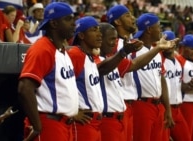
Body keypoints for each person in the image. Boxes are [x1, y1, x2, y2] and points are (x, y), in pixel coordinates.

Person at [98, 23, 178, 141]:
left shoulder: (114, 59)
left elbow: (134, 65)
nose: (114, 43)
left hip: (125, 112)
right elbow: (104, 68)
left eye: (115, 39)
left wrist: (157, 49)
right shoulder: (99, 59)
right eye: (111, 39)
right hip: (119, 112)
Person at [68, 16, 143, 141]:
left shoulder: (90, 57)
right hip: (85, 122)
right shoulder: (74, 53)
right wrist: (73, 111)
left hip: (98, 121)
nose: (99, 35)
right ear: (81, 35)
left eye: (98, 30)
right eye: (94, 30)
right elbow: (62, 83)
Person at [17, 2, 79, 141]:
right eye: (68, 19)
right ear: (54, 24)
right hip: (50, 124)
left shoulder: (62, 50)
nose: (74, 24)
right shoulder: (42, 49)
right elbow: (24, 88)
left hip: (65, 125)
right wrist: (37, 126)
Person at [132, 13, 174, 141]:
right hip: (141, 105)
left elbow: (162, 79)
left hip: (158, 105)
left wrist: (168, 109)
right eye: (158, 26)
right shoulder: (133, 48)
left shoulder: (156, 51)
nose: (160, 30)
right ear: (149, 29)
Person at [106, 5, 138, 141]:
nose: (133, 18)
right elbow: (129, 67)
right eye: (127, 15)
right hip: (118, 103)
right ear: (117, 22)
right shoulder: (114, 45)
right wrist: (156, 49)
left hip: (128, 104)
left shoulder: (128, 42)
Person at [162, 30, 190, 141]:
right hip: (165, 109)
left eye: (170, 41)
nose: (168, 44)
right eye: (165, 41)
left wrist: (192, 86)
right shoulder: (159, 60)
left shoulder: (178, 62)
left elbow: (179, 85)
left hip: (178, 108)